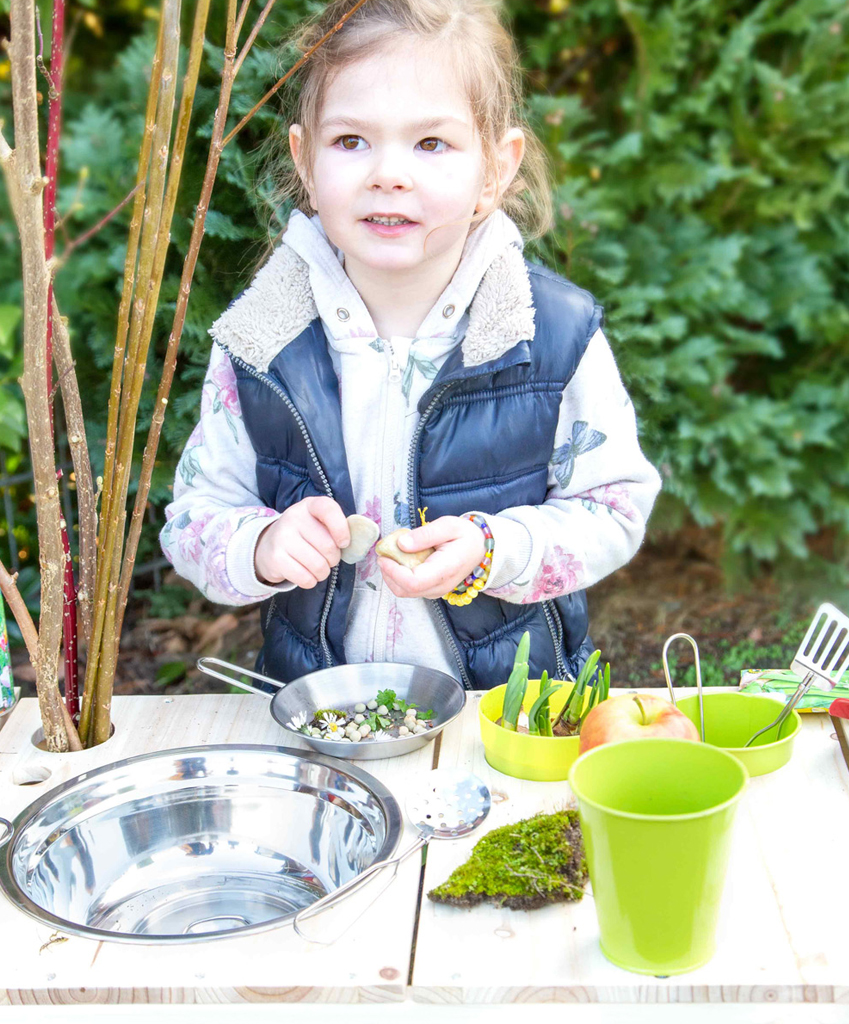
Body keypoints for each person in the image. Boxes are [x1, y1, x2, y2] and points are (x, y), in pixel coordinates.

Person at [160, 0, 661, 688]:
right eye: (351, 141)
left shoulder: (551, 336)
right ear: (305, 161)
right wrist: (262, 544)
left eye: (430, 144)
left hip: (506, 718)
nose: (387, 173)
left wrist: (496, 549)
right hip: (322, 717)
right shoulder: (262, 343)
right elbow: (194, 519)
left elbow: (615, 507)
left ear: (495, 167)